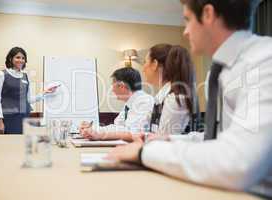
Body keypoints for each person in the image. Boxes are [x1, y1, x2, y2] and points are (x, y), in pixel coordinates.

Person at [107, 0, 272, 193]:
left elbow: (239, 163)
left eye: (187, 20)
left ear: (208, 14)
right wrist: (172, 140)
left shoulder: (263, 61)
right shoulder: (219, 71)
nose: (185, 32)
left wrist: (145, 152)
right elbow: (217, 139)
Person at [0, 47, 57, 134]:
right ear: (11, 58)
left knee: (23, 145)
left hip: (25, 118)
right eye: (18, 57)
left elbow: (28, 99)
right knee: (11, 144)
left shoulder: (26, 76)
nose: (21, 60)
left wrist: (45, 92)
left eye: (23, 58)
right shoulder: (1, 75)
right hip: (9, 118)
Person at [79, 67, 154, 142]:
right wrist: (93, 129)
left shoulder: (144, 101)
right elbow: (118, 127)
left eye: (113, 85)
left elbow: (133, 133)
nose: (112, 90)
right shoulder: (129, 104)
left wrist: (99, 134)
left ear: (121, 86)